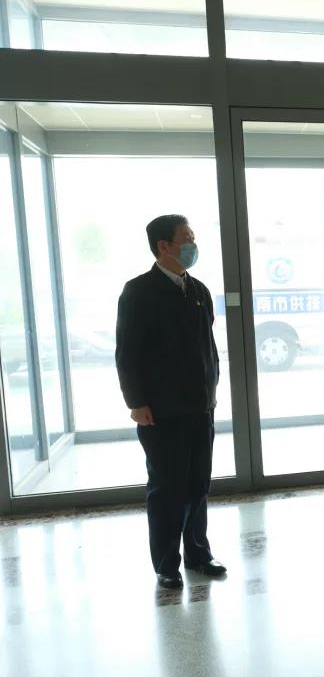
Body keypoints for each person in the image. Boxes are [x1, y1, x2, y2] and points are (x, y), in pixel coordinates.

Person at [116, 215, 226, 589]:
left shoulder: (198, 289)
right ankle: (166, 564)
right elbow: (127, 353)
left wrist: (211, 387)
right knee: (167, 488)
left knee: (198, 484)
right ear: (164, 246)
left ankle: (198, 553)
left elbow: (207, 345)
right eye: (186, 238)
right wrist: (136, 402)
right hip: (161, 411)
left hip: (201, 405)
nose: (193, 244)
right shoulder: (139, 291)